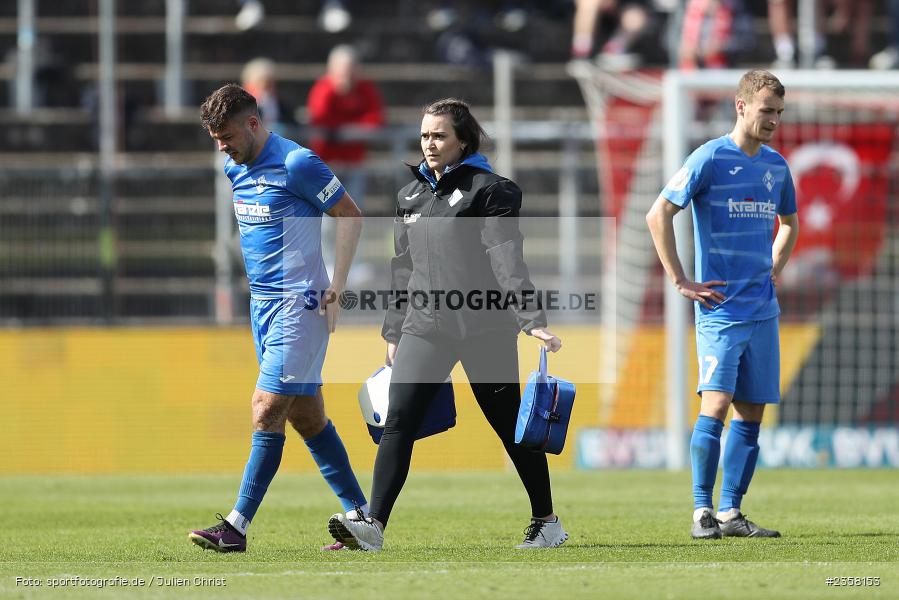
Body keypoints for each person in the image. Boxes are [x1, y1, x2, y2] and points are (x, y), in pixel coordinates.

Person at [326, 98, 568, 552]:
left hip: (484, 330)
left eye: (439, 136)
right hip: (424, 327)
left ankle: (546, 521)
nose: (430, 144)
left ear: (463, 140)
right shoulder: (411, 195)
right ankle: (373, 526)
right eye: (424, 136)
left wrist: (530, 320)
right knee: (399, 421)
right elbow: (402, 268)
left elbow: (505, 256)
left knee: (510, 427)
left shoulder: (492, 190)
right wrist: (393, 331)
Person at [189, 84, 367, 552]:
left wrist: (339, 285)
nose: (221, 147)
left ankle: (236, 527)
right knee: (307, 417)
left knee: (266, 408)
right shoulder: (234, 167)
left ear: (253, 123)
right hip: (262, 309)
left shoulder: (297, 163)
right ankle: (362, 519)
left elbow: (350, 215)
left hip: (300, 307)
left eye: (226, 135)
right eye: (214, 138)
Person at [646, 70, 799, 539]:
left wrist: (775, 264)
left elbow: (790, 223)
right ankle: (701, 511)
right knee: (715, 403)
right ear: (741, 106)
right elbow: (659, 214)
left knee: (751, 414)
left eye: (778, 112)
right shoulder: (710, 158)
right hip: (720, 309)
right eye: (765, 110)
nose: (772, 119)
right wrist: (680, 280)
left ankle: (731, 513)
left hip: (763, 309)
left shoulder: (776, 167)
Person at [306, 44, 384, 207]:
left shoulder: (364, 88)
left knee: (354, 211)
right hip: (327, 163)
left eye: (351, 68)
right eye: (343, 70)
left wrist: (349, 130)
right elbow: (321, 119)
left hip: (355, 161)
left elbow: (375, 119)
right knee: (326, 213)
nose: (347, 74)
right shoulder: (323, 89)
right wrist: (352, 128)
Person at [241, 57, 296, 137]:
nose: (268, 91)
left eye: (271, 85)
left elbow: (294, 129)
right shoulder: (240, 111)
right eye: (264, 86)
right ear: (248, 86)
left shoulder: (284, 107)